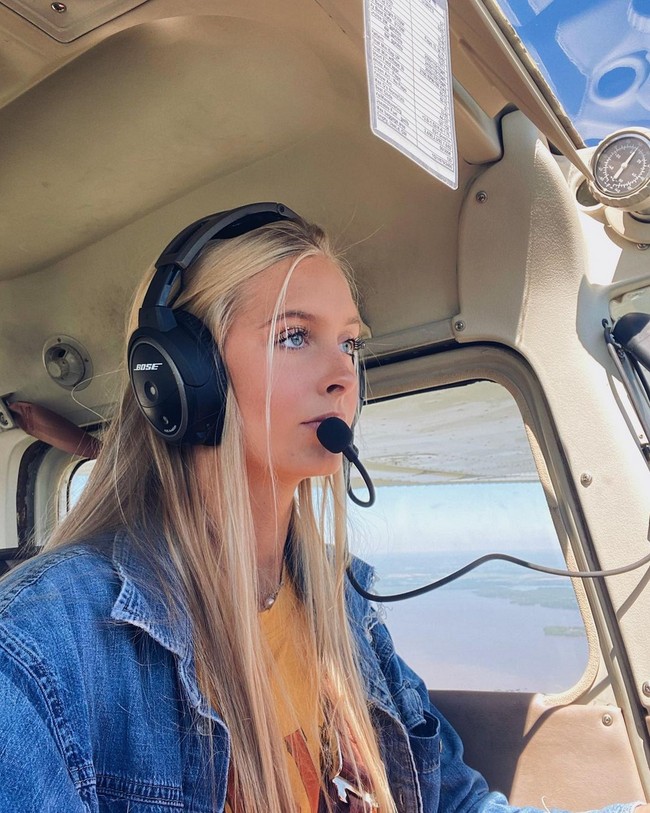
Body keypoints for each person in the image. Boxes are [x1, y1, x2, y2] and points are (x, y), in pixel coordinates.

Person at [0, 202, 646, 813]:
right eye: (292, 336)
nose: (343, 372)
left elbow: (453, 800)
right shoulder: (43, 642)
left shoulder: (341, 602)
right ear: (179, 378)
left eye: (350, 343)